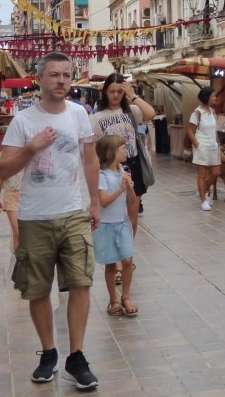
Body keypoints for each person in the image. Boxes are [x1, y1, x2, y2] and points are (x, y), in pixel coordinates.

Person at [0, 52, 101, 390]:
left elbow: (90, 160)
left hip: (73, 213)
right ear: (39, 79)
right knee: (38, 289)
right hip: (34, 217)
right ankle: (49, 353)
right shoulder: (23, 121)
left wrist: (95, 201)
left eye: (66, 75)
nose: (61, 81)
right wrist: (30, 149)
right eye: (54, 75)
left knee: (81, 283)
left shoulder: (79, 115)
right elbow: (4, 169)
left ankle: (78, 356)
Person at [91, 74, 154, 216]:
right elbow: (95, 148)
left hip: (133, 163)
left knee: (133, 214)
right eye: (112, 91)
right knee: (115, 212)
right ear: (105, 92)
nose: (115, 95)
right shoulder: (96, 117)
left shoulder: (132, 111)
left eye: (120, 92)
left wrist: (133, 96)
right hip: (110, 167)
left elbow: (150, 114)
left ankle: (130, 238)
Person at [94, 135, 138, 318]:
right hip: (106, 226)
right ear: (112, 152)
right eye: (122, 148)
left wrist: (129, 188)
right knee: (111, 265)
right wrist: (121, 188)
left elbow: (132, 201)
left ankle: (126, 296)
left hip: (122, 223)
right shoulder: (102, 175)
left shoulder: (123, 171)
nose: (125, 151)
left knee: (128, 260)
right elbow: (104, 202)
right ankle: (113, 300)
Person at [187, 86, 221, 211]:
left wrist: (218, 143)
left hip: (213, 146)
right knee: (202, 174)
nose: (215, 98)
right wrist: (197, 145)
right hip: (202, 146)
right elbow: (190, 131)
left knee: (216, 172)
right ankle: (203, 200)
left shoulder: (212, 112)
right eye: (213, 96)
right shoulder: (196, 113)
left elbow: (214, 130)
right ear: (206, 97)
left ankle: (202, 191)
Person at [0, 163, 23, 252]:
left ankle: (21, 259)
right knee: (18, 232)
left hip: (28, 195)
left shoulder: (30, 150)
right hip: (11, 195)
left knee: (26, 232)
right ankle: (20, 260)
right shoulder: (5, 154)